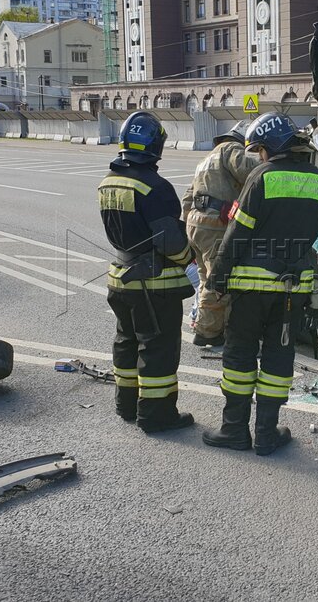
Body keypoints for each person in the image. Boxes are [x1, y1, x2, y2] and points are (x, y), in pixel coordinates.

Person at [204, 113, 318, 455]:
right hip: (291, 291)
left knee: (240, 355)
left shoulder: (261, 178)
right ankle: (266, 435)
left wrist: (218, 279)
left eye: (260, 150)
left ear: (270, 147)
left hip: (250, 289)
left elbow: (236, 234)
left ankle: (234, 430)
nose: (259, 156)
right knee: (278, 358)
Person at [99, 111, 196, 433]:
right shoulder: (155, 186)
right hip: (155, 285)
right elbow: (170, 241)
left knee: (126, 342)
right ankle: (156, 415)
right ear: (156, 145)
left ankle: (126, 405)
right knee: (157, 350)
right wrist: (188, 258)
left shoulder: (108, 181)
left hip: (120, 277)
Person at [180, 120, 260, 347]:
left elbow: (187, 198)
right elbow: (248, 170)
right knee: (218, 280)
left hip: (196, 223)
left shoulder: (206, 159)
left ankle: (206, 324)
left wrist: (189, 229)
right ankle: (207, 332)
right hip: (214, 223)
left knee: (206, 278)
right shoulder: (230, 148)